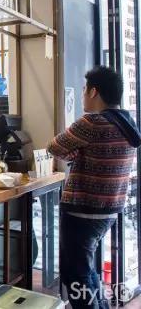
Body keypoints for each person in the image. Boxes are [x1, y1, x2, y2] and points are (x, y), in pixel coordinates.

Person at [47, 66, 141, 309]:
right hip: (108, 210)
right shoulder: (127, 122)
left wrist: (76, 152)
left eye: (83, 90)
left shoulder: (92, 122)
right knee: (86, 269)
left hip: (83, 209)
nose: (82, 95)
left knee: (75, 274)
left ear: (94, 92)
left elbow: (54, 147)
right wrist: (80, 152)